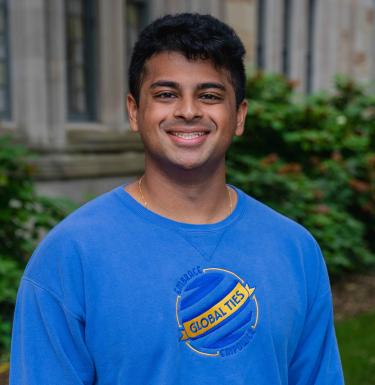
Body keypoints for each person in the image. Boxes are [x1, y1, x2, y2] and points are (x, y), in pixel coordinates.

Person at [10, 13, 344, 385]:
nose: (188, 111)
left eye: (210, 95)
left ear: (239, 116)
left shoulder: (295, 249)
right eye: (167, 94)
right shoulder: (70, 255)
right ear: (135, 111)